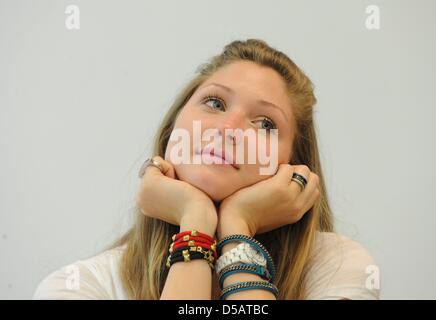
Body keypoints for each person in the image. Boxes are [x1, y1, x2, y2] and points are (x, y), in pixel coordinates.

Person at [33, 39, 380, 300]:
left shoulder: (338, 268)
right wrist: (196, 222)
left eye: (264, 123)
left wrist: (237, 227)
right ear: (172, 129)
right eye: (214, 102)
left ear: (293, 166)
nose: (228, 128)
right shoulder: (79, 287)